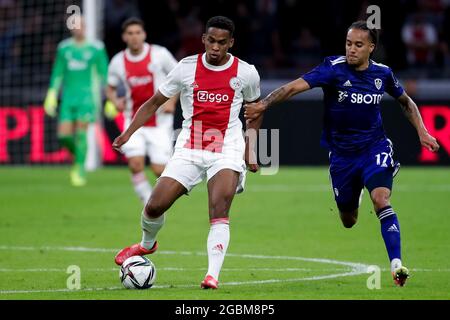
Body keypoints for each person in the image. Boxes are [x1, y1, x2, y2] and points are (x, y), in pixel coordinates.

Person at [244, 20, 440, 287]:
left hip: (375, 147)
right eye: (349, 43)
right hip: (341, 156)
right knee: (348, 220)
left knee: (381, 199)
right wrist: (263, 105)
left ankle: (396, 264)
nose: (352, 49)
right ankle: (355, 191)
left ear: (371, 47)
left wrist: (422, 132)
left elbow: (406, 102)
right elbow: (292, 87)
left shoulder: (383, 74)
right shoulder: (332, 69)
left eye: (359, 45)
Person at [112, 16, 262, 289]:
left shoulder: (246, 72)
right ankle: (147, 245)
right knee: (155, 205)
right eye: (211, 41)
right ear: (204, 39)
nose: (216, 47)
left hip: (227, 147)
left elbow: (255, 110)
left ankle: (212, 275)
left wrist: (249, 150)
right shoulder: (185, 68)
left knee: (218, 208)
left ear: (231, 43)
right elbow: (155, 101)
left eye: (222, 42)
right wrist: (128, 132)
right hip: (190, 147)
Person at [106, 18, 178, 204]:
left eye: (138, 32)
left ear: (144, 34)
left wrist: (172, 101)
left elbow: (180, 78)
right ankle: (147, 201)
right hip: (133, 120)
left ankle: (158, 198)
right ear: (124, 37)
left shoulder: (159, 54)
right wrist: (115, 101)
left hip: (160, 121)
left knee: (158, 169)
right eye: (130, 33)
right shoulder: (117, 61)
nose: (134, 37)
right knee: (135, 163)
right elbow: (110, 87)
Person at [44, 16, 108, 186]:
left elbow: (104, 75)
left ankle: (79, 168)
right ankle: (78, 156)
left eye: (79, 25)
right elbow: (58, 72)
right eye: (74, 25)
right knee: (63, 136)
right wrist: (51, 94)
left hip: (88, 98)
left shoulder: (96, 48)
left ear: (85, 26)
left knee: (81, 133)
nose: (77, 28)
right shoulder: (64, 48)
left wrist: (109, 99)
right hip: (68, 98)